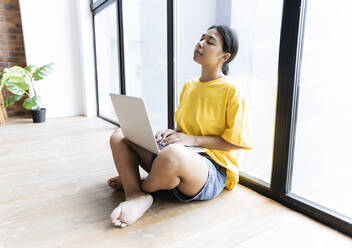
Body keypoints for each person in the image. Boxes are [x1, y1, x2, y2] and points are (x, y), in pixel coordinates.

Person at [108, 25, 253, 228]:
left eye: (210, 42)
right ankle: (135, 195)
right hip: (178, 155)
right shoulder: (190, 85)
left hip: (210, 169)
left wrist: (190, 140)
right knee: (119, 134)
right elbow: (185, 130)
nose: (200, 43)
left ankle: (136, 183)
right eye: (201, 38)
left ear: (224, 57)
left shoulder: (233, 89)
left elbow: (236, 143)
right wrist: (173, 133)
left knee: (173, 155)